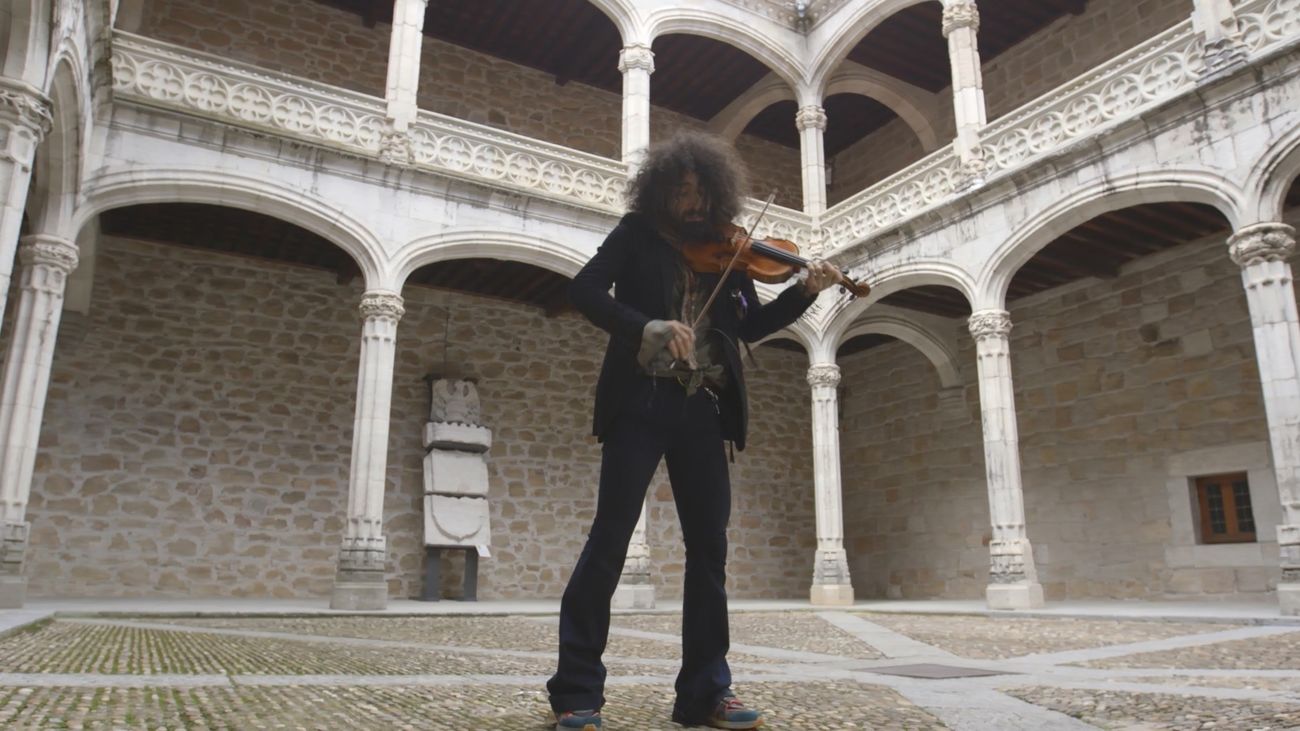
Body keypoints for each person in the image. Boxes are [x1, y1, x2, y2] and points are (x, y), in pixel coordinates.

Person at [546, 131, 838, 730]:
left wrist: (804, 293)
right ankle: (576, 690)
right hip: (640, 402)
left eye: (702, 192)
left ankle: (705, 692)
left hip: (703, 408)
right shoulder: (635, 234)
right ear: (660, 190)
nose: (693, 203)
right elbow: (584, 289)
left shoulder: (728, 248)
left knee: (709, 550)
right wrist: (643, 326)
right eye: (682, 191)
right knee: (609, 540)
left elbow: (749, 327)